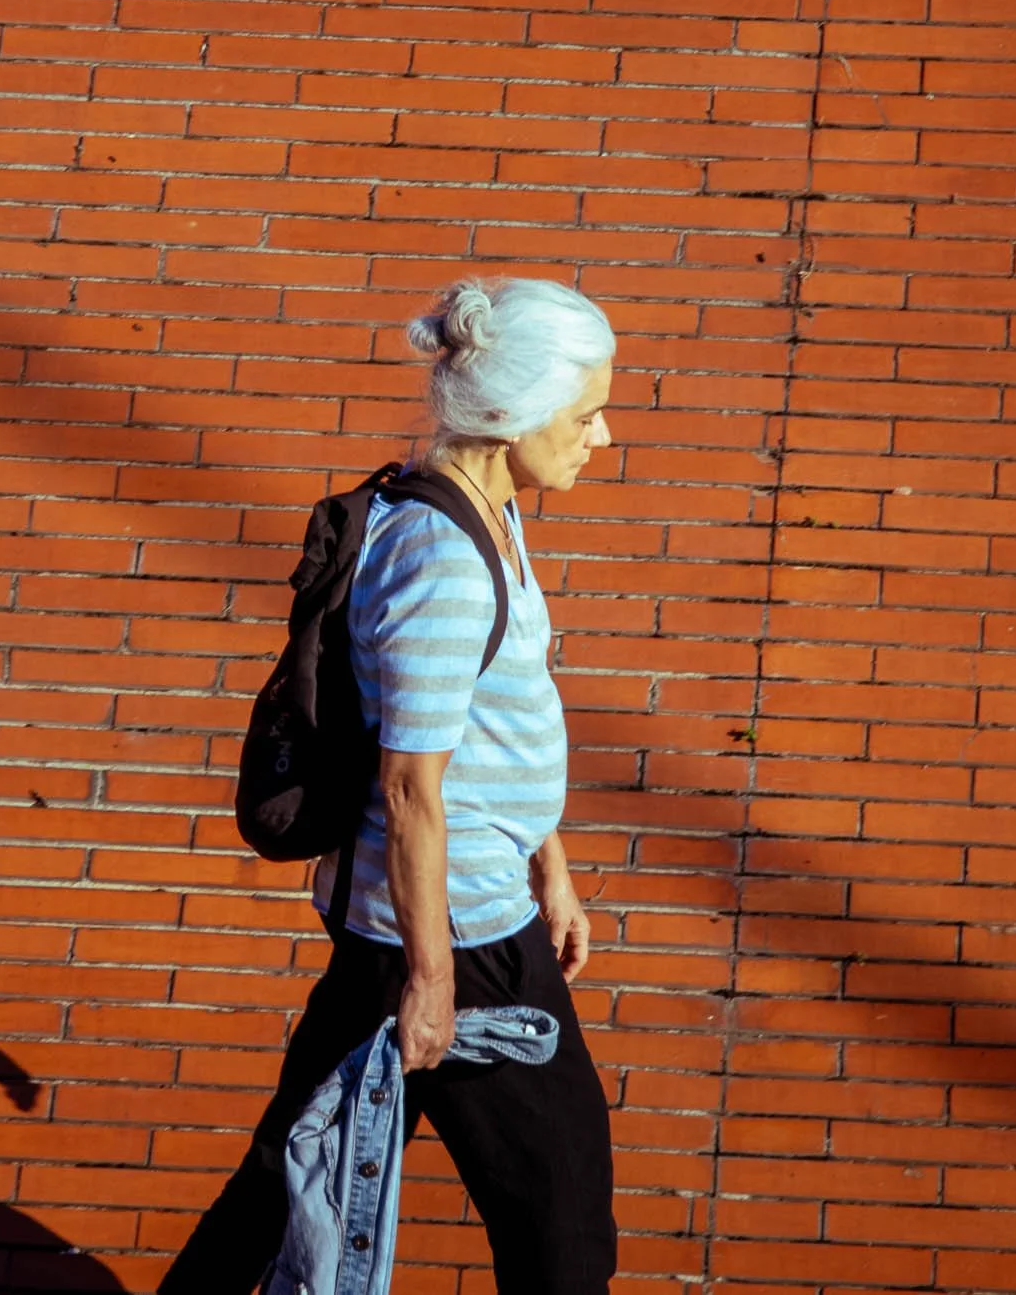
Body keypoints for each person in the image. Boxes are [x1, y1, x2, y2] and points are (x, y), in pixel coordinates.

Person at [162, 275, 621, 1295]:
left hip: (446, 916)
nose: (601, 434)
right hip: (456, 936)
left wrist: (552, 862)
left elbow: (506, 717)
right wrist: (431, 980)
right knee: (563, 1227)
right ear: (512, 413)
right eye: (585, 412)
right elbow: (413, 786)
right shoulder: (442, 564)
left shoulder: (487, 514)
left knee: (282, 1185)